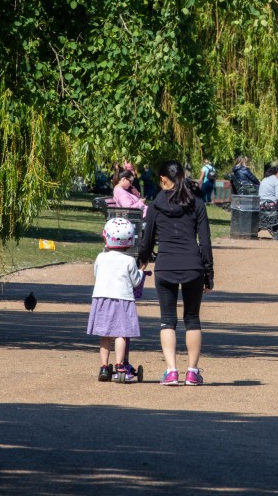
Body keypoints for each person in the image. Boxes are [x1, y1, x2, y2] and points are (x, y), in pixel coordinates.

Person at [138, 160, 214, 386]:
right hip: (193, 266)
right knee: (192, 319)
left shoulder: (154, 206)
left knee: (167, 321)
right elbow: (206, 242)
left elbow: (146, 241)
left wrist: (142, 259)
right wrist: (209, 273)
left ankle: (171, 371)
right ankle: (192, 372)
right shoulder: (197, 203)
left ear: (163, 179)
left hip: (166, 265)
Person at [88, 217, 145, 383]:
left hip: (102, 298)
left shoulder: (101, 257)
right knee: (121, 333)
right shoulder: (129, 261)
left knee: (105, 334)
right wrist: (141, 272)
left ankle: (104, 366)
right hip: (122, 299)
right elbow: (135, 281)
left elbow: (96, 275)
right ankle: (120, 364)